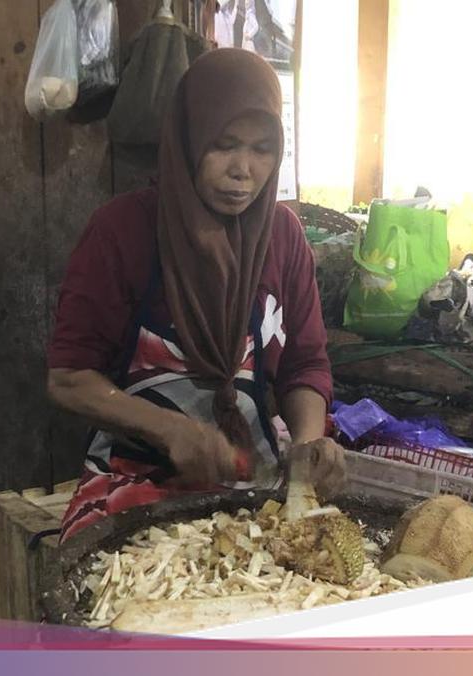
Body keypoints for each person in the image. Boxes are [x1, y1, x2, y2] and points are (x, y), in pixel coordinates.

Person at [47, 49, 345, 540]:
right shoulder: (123, 231)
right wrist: (169, 428)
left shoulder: (284, 237)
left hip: (255, 486)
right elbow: (68, 379)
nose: (243, 170)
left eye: (262, 149)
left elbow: (305, 364)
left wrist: (307, 447)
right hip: (134, 484)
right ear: (189, 140)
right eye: (224, 145)